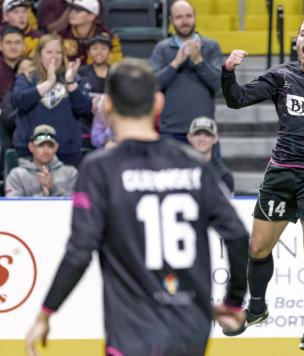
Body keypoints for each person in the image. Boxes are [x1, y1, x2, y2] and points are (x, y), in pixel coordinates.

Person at [24, 58, 249, 356]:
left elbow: (79, 251)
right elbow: (237, 237)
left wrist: (45, 313)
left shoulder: (100, 168)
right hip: (190, 330)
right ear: (158, 103)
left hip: (131, 332)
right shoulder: (193, 164)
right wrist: (233, 301)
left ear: (106, 106)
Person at [221, 9, 304, 352]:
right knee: (257, 248)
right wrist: (227, 71)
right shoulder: (281, 75)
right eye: (301, 33)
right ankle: (257, 307)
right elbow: (236, 100)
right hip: (281, 173)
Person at [11, 34, 92, 167]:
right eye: (49, 52)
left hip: (67, 152)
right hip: (29, 151)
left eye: (58, 52)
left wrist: (70, 83)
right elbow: (20, 101)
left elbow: (84, 109)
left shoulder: (72, 77)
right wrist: (48, 83)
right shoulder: (27, 77)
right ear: (39, 54)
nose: (54, 56)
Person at [150, 0, 223, 144]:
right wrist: (175, 63)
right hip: (170, 131)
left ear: (195, 17)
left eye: (188, 16)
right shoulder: (162, 48)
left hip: (204, 131)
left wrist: (199, 61)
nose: (184, 21)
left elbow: (218, 84)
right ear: (171, 20)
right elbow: (152, 85)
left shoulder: (211, 47)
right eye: (179, 17)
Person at [4, 124, 77, 196]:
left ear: (56, 147)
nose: (46, 151)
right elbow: (13, 206)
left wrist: (53, 187)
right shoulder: (17, 175)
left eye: (50, 146)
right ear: (31, 147)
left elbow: (77, 205)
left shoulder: (70, 174)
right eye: (41, 145)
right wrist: (43, 195)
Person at [59, 0, 121, 65]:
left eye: (78, 11)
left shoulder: (107, 37)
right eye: (72, 9)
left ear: (91, 16)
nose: (72, 13)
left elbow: (115, 64)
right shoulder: (63, 34)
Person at [187, 116, 235, 195]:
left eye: (207, 134)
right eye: (197, 134)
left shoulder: (224, 175)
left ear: (216, 138)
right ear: (189, 137)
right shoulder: (178, 171)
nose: (202, 139)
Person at [37, 0, 105, 33]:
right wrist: (72, 6)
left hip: (91, 39)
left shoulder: (96, 2)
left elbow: (98, 23)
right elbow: (52, 30)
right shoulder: (49, 2)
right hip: (62, 41)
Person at [0, 25, 24, 98]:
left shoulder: (31, 68)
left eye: (17, 42)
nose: (13, 47)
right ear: (0, 46)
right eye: (8, 42)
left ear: (24, 46)